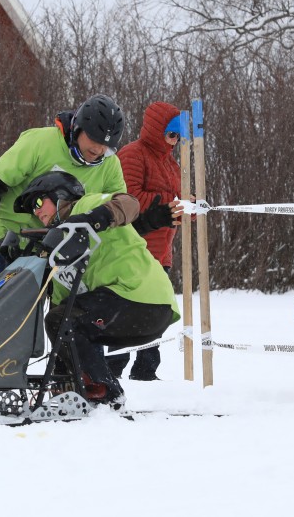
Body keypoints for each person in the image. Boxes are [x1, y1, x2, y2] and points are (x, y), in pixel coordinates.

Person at [15, 171, 181, 406]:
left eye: (39, 202)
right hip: (127, 310)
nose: (37, 211)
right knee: (61, 321)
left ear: (59, 195)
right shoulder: (61, 246)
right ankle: (71, 393)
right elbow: (62, 325)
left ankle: (106, 393)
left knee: (63, 320)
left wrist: (92, 218)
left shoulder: (85, 205)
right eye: (33, 209)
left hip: (142, 299)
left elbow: (129, 204)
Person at [0, 94, 127, 272]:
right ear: (78, 128)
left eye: (106, 146)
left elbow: (120, 209)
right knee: (18, 298)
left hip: (61, 249)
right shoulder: (40, 143)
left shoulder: (110, 166)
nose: (98, 149)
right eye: (93, 139)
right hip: (11, 238)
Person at [106, 101, 188, 381]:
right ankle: (111, 371)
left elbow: (177, 206)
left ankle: (146, 371)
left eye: (178, 136)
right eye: (171, 135)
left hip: (162, 251)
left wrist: (190, 209)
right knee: (129, 313)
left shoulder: (172, 164)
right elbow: (127, 201)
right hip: (135, 249)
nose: (175, 142)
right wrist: (171, 204)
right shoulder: (132, 155)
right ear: (157, 130)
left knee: (158, 313)